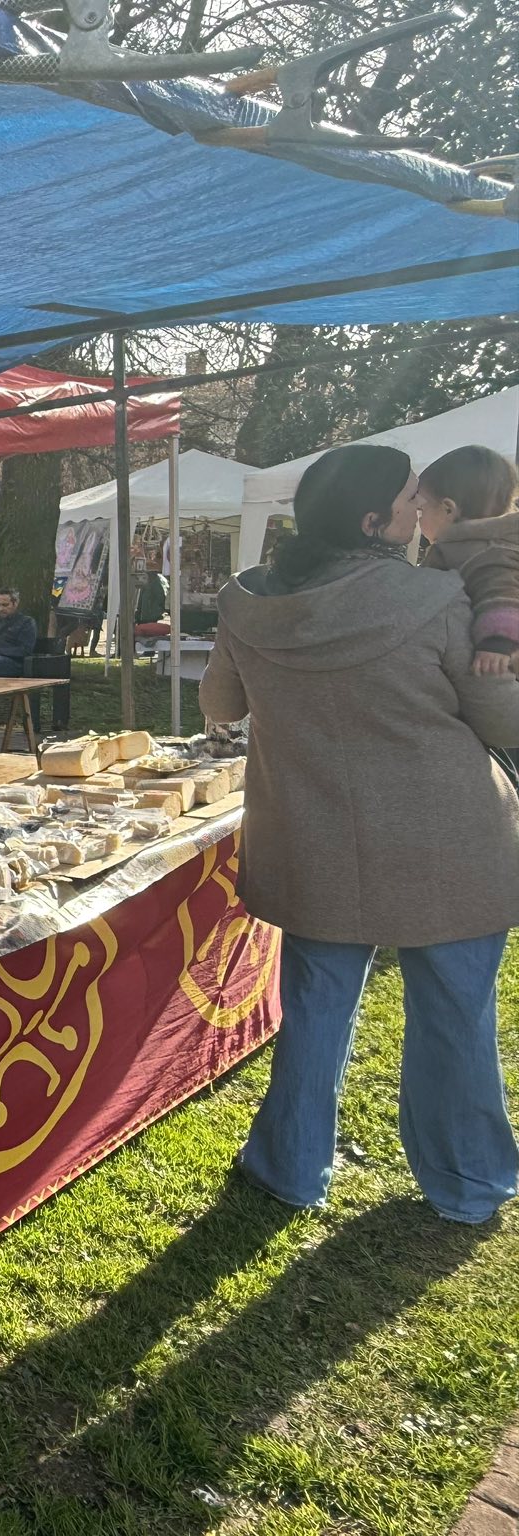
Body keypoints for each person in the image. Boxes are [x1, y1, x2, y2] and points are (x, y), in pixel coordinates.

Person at [200, 442, 519, 1225]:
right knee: (454, 1016)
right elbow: (502, 718)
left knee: (315, 1010)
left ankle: (288, 1167)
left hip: (314, 839)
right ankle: (468, 1183)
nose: (422, 511)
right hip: (447, 842)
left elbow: (221, 704)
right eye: (411, 499)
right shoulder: (436, 597)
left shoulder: (249, 601)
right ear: (375, 522)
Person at [417, 444, 519, 677]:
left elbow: (502, 591)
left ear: (448, 509)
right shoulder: (463, 545)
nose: (418, 518)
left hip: (498, 661)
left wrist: (497, 641)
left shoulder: (485, 550)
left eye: (422, 510)